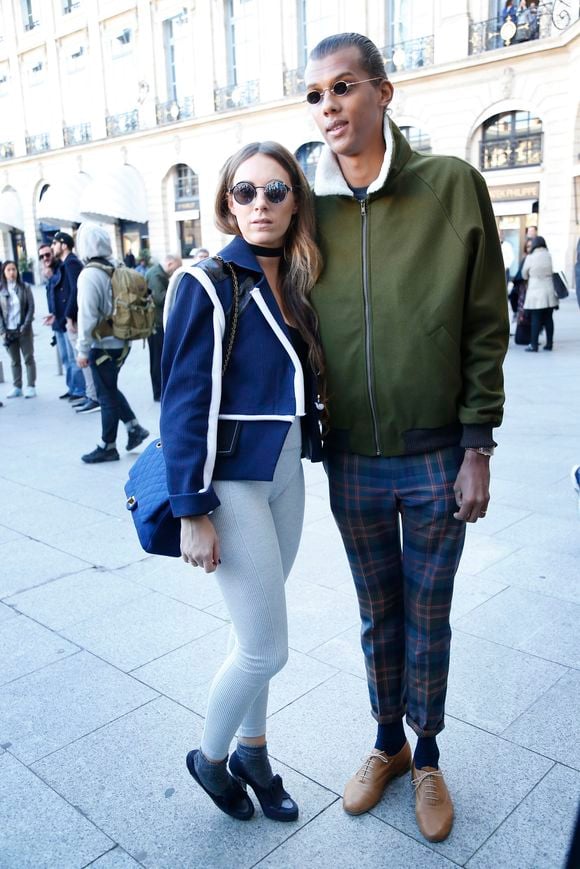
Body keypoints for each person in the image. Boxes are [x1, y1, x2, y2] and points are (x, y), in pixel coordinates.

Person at [304, 33, 508, 843]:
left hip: (435, 453)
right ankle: (385, 741)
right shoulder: (307, 201)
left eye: (343, 87)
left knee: (430, 608)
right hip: (351, 452)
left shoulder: (453, 185)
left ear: (384, 92)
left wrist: (478, 445)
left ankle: (427, 754)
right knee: (375, 607)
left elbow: (487, 321)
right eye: (315, 95)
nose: (328, 108)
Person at [161, 141, 324, 822]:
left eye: (276, 191)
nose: (261, 204)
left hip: (287, 471)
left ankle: (255, 751)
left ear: (294, 201)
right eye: (246, 191)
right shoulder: (206, 282)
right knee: (267, 647)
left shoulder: (298, 279)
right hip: (231, 483)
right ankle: (210, 756)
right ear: (228, 201)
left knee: (254, 632)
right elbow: (183, 400)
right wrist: (192, 508)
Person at [75, 223, 149, 463]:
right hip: (122, 341)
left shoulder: (90, 273)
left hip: (102, 345)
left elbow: (87, 315)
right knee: (110, 388)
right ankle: (134, 426)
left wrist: (82, 349)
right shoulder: (117, 266)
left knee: (105, 395)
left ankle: (108, 446)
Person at [51, 230, 98, 411]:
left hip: (75, 320)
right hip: (70, 319)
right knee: (79, 359)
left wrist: (70, 316)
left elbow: (76, 291)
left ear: (63, 245)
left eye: (55, 244)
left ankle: (94, 397)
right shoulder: (67, 263)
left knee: (83, 359)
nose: (53, 247)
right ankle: (90, 394)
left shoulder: (71, 263)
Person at [40, 242, 88, 406]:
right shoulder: (50, 273)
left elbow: (71, 292)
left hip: (65, 319)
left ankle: (80, 390)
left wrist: (68, 316)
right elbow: (52, 297)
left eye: (48, 254)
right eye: (42, 256)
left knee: (74, 358)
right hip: (57, 320)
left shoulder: (64, 266)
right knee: (66, 359)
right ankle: (73, 388)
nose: (45, 258)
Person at [145, 254, 182, 401]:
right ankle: (159, 392)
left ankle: (161, 390)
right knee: (157, 359)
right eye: (176, 268)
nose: (175, 271)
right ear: (170, 263)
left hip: (158, 322)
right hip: (156, 323)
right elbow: (160, 298)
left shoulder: (158, 273)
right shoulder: (156, 274)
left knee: (159, 357)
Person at [0, 260, 37, 398]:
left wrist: (25, 325)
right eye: (8, 270)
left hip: (24, 329)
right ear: (4, 272)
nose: (12, 272)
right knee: (14, 361)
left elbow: (31, 307)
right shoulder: (1, 289)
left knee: (28, 358)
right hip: (8, 331)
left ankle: (31, 386)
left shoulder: (25, 287)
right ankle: (17, 386)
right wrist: (2, 331)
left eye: (14, 269)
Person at [522, 235, 557, 351]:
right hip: (549, 291)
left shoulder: (530, 257)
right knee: (548, 319)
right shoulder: (548, 255)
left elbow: (524, 273)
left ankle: (534, 345)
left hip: (535, 292)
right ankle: (549, 344)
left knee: (535, 319)